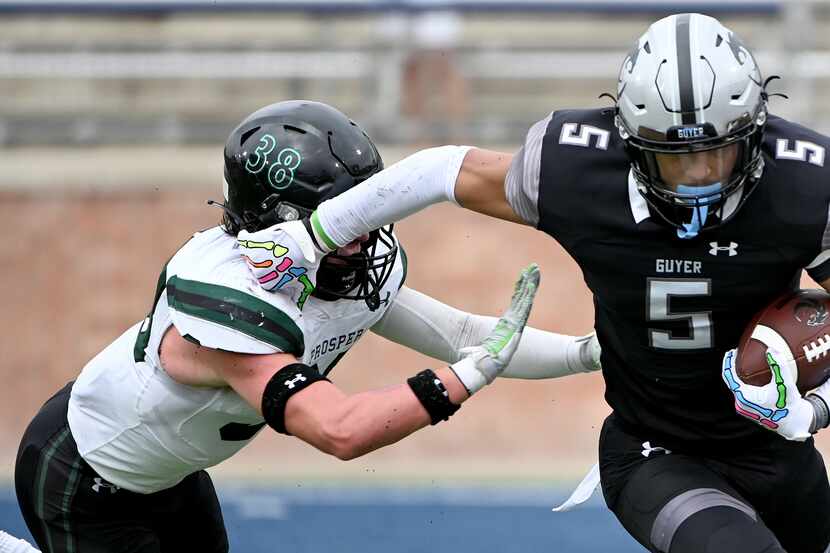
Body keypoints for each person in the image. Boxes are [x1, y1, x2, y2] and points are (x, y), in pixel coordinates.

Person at [265, 14, 830, 553]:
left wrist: (812, 410)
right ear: (629, 143)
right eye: (674, 161)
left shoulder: (804, 185)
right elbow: (442, 170)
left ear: (755, 134)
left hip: (777, 451)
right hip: (654, 449)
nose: (698, 180)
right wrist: (318, 233)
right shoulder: (574, 171)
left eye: (717, 153)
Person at [14, 100, 601, 553]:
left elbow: (464, 334)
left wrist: (590, 353)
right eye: (353, 218)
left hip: (168, 471)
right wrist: (463, 380)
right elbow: (339, 430)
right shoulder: (231, 303)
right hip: (84, 477)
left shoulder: (338, 272)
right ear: (282, 221)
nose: (371, 236)